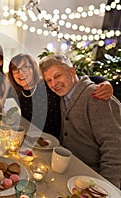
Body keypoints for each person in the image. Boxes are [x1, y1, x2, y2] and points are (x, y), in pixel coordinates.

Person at [39, 53, 121, 188]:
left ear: (71, 72)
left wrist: (106, 188)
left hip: (92, 178)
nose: (54, 84)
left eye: (57, 76)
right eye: (49, 80)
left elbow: (115, 148)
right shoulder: (63, 95)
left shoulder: (98, 96)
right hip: (69, 170)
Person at [7, 53, 114, 139]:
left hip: (54, 143)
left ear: (33, 69)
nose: (20, 73)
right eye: (15, 70)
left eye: (25, 67)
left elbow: (78, 78)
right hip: (31, 141)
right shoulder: (15, 93)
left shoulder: (47, 85)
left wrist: (106, 83)